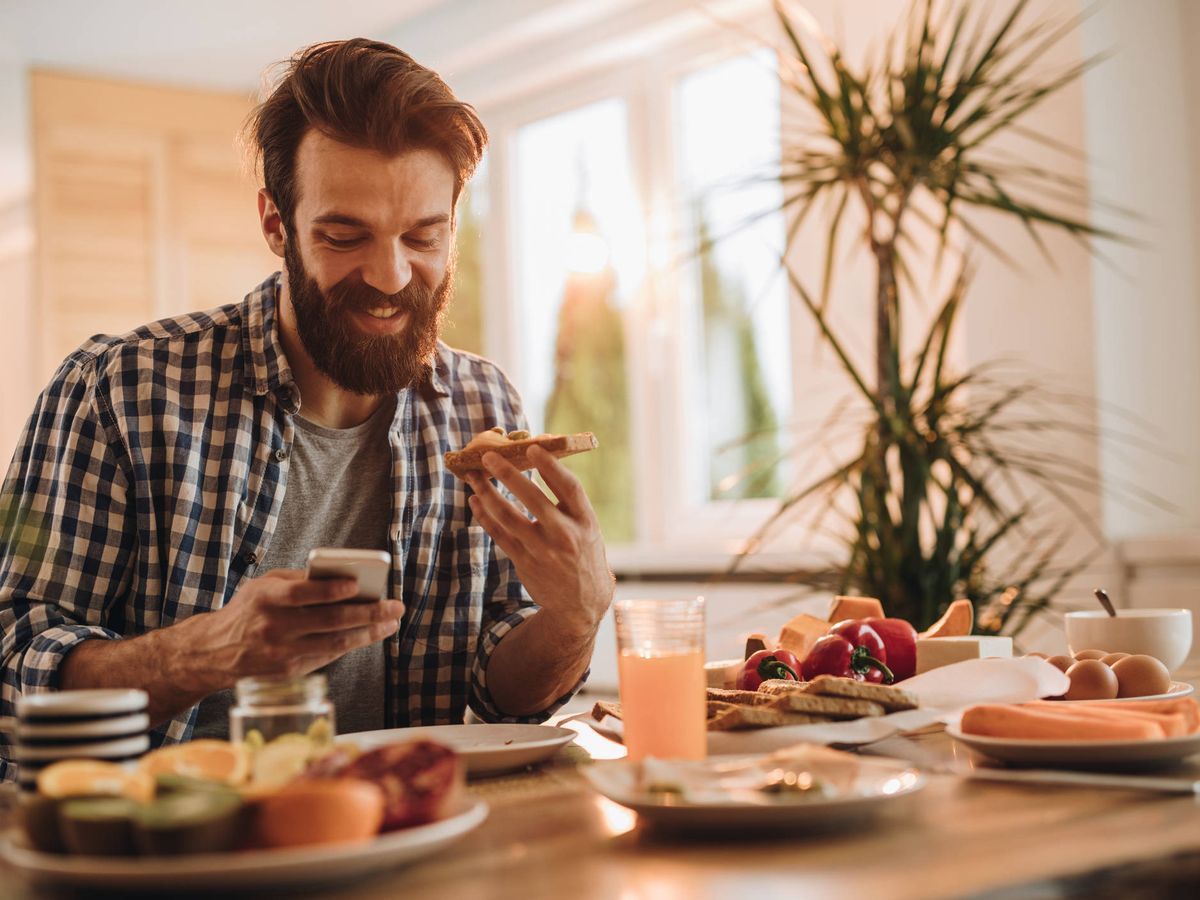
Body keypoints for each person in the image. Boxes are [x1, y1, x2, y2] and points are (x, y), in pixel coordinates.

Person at [0, 39, 614, 780]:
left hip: (397, 844)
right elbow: (13, 660)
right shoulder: (119, 390)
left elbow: (503, 696)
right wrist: (198, 654)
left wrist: (573, 618)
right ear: (275, 224)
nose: (391, 275)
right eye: (344, 236)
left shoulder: (482, 405)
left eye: (423, 236)